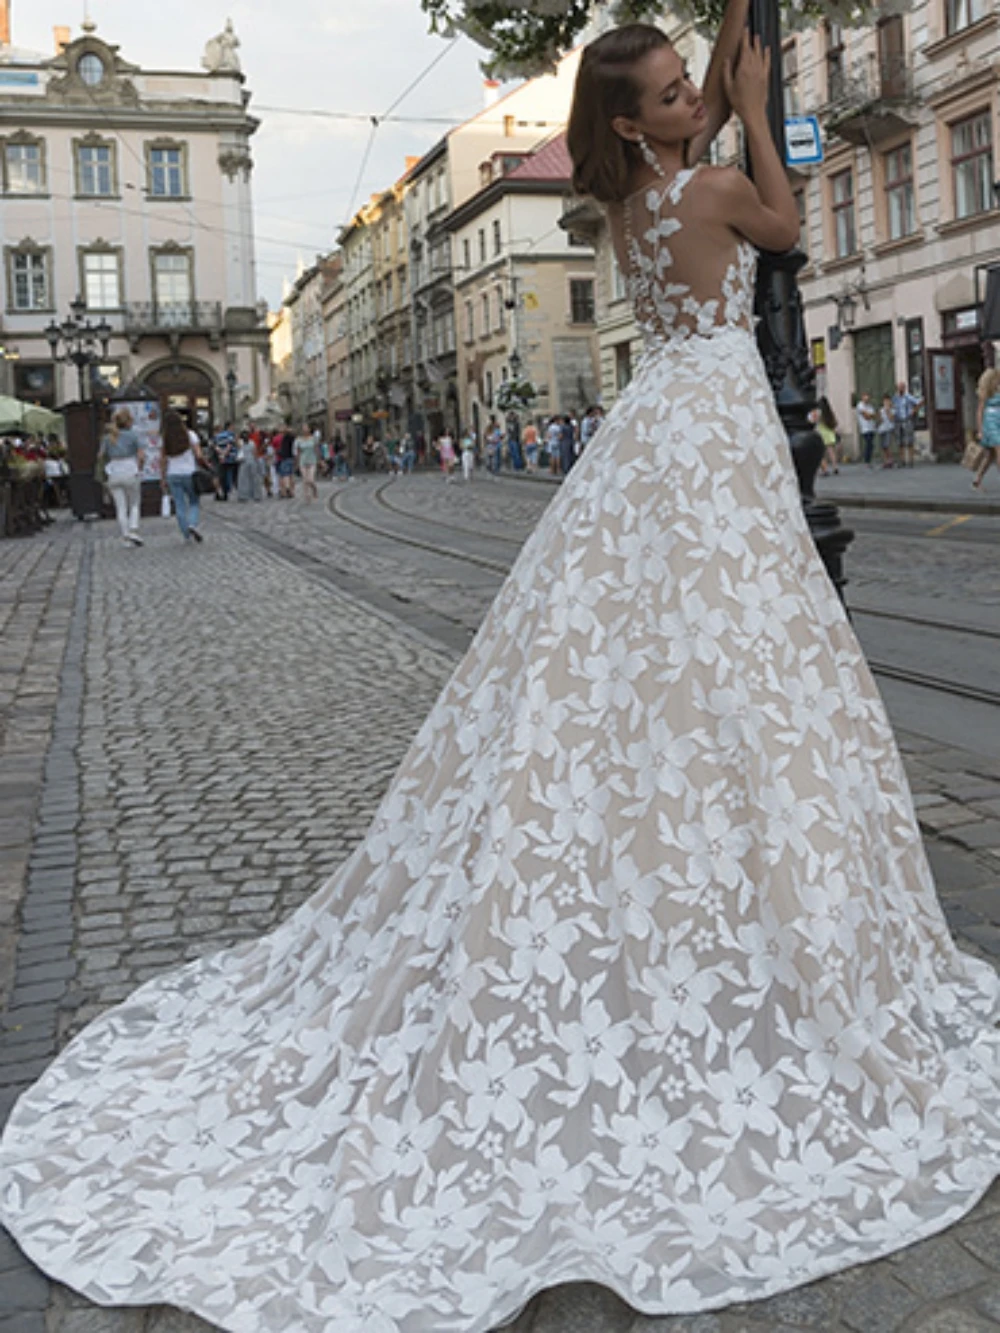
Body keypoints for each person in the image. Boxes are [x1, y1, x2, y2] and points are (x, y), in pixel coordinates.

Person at [2, 14, 998, 1333]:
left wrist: (727, 73)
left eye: (689, 81)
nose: (691, 93)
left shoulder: (625, 200)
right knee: (743, 649)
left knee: (665, 657)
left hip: (667, 433)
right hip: (710, 436)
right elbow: (787, 229)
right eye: (672, 90)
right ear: (641, 122)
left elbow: (715, 232)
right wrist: (757, 106)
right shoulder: (702, 180)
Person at [98, 408, 145, 546]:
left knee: (121, 507)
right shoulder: (133, 436)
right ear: (128, 422)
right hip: (130, 469)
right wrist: (140, 467)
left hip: (113, 471)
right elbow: (141, 455)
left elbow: (100, 456)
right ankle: (133, 530)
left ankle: (125, 536)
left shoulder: (107, 437)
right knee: (134, 503)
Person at [159, 409, 205, 543]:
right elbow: (199, 455)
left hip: (173, 474)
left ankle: (186, 535)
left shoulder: (165, 438)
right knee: (194, 502)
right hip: (190, 473)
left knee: (179, 505)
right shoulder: (190, 435)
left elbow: (163, 460)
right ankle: (192, 524)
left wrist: (162, 478)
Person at [972, 365, 1000, 490]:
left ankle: (977, 480)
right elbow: (979, 411)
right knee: (999, 451)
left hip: (998, 421)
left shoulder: (998, 390)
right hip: (990, 423)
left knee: (990, 457)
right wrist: (980, 430)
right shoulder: (985, 392)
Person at [891, 380, 921, 468]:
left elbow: (919, 402)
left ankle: (911, 460)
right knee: (900, 442)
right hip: (898, 421)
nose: (900, 389)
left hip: (907, 420)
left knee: (909, 441)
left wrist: (914, 411)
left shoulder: (908, 397)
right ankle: (902, 460)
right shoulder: (895, 398)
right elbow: (893, 406)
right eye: (899, 387)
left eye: (902, 387)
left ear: (904, 388)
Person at [815, 395, 839, 475]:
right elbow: (834, 422)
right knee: (831, 452)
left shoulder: (819, 412)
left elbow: (814, 421)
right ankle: (835, 467)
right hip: (830, 433)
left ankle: (824, 469)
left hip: (821, 433)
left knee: (822, 453)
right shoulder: (829, 412)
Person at [295, 423, 319, 501]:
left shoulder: (313, 438)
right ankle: (307, 495)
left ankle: (314, 489)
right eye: (303, 428)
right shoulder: (298, 440)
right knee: (305, 479)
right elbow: (298, 452)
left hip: (312, 460)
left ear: (309, 429)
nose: (304, 430)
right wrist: (297, 462)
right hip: (303, 460)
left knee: (310, 479)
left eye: (306, 428)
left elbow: (316, 449)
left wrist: (320, 460)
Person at [855, 390, 876, 467]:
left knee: (871, 445)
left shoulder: (870, 406)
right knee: (868, 443)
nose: (866, 398)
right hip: (865, 428)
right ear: (862, 397)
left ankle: (869, 459)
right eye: (865, 396)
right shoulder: (860, 405)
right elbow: (866, 416)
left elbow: (874, 415)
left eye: (868, 396)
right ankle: (866, 460)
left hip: (871, 427)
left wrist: (871, 415)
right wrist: (870, 415)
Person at [876, 392, 896, 467]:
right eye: (885, 401)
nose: (886, 402)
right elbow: (879, 419)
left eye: (887, 401)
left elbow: (891, 419)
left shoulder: (892, 409)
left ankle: (890, 459)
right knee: (883, 446)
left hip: (889, 428)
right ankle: (885, 460)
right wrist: (878, 420)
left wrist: (888, 411)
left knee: (887, 445)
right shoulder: (881, 410)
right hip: (882, 429)